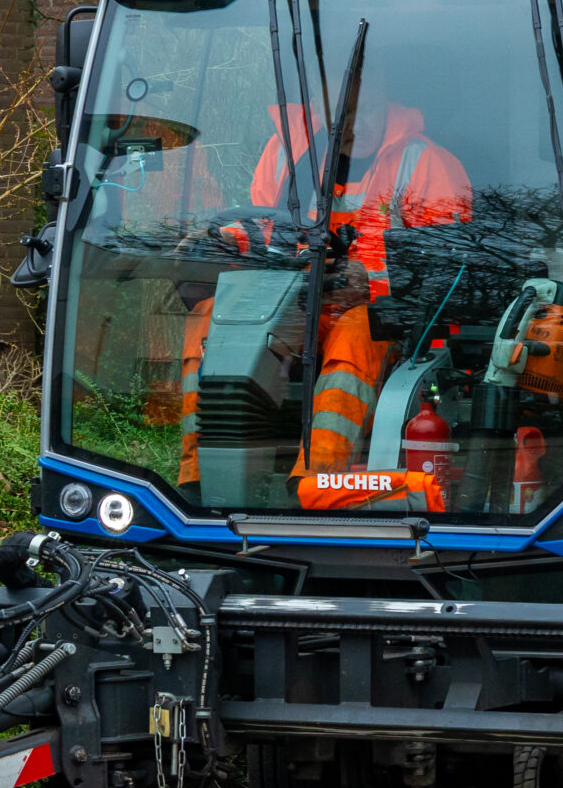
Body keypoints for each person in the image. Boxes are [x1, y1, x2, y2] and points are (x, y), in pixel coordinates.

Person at [177, 66, 474, 497]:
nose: (350, 125)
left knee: (359, 331)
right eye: (339, 115)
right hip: (294, 301)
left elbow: (446, 269)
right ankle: (199, 479)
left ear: (386, 100)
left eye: (362, 110)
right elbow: (262, 228)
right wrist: (216, 244)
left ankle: (313, 483)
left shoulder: (427, 164)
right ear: (319, 111)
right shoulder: (285, 155)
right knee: (211, 320)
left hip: (383, 318)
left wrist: (372, 280)